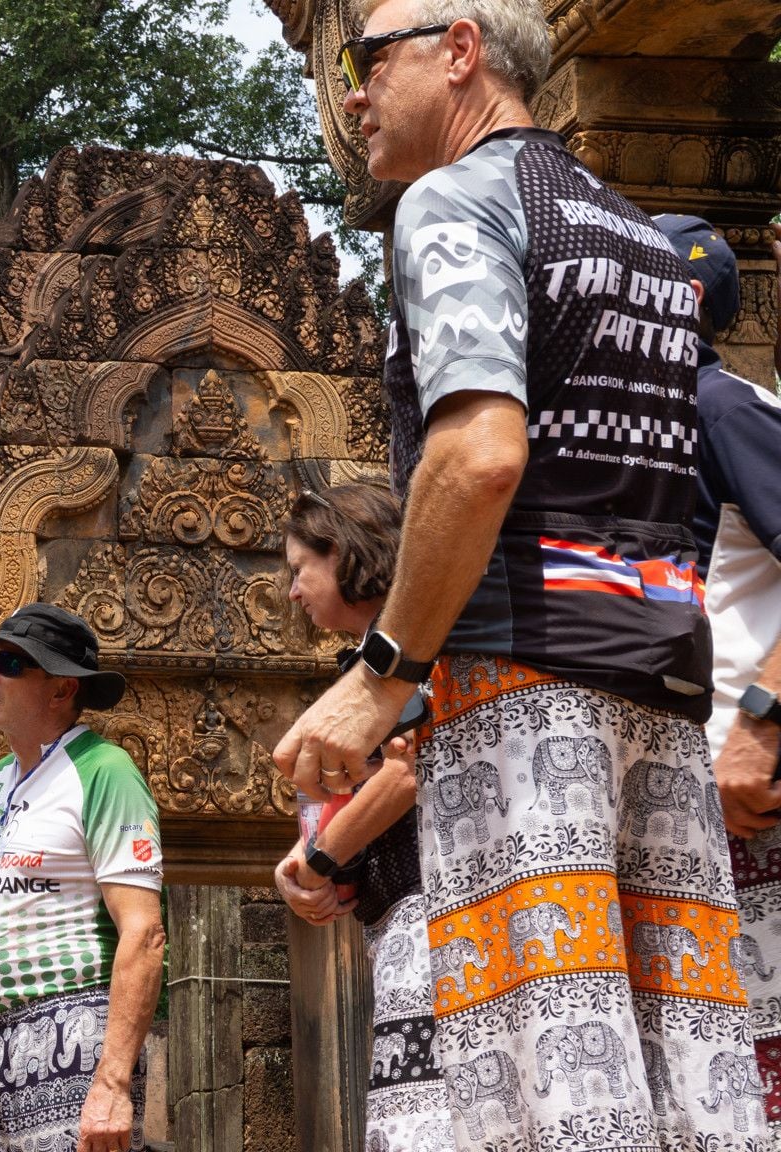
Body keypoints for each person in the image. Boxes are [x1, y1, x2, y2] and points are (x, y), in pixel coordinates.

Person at [275, 0, 764, 1147]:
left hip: (518, 694)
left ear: (458, 53)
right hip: (658, 692)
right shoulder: (643, 241)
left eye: (364, 60)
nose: (350, 93)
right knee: (681, 1073)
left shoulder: (455, 201)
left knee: (542, 1075)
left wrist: (380, 672)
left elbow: (480, 454)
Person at [272, 484, 450, 1151]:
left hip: (434, 916)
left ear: (342, 552)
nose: (293, 592)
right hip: (405, 918)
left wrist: (316, 862)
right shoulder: (377, 658)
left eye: (299, 569)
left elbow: (408, 771)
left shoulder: (404, 654)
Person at [0, 603, 164, 1152]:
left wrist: (114, 1082)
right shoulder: (1, 781)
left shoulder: (106, 771)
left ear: (61, 690)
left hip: (74, 1045)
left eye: (8, 663)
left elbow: (144, 934)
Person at [659, 213, 781, 1126]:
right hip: (686, 792)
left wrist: (760, 722)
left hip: (750, 783)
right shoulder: (631, 429)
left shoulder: (722, 408)